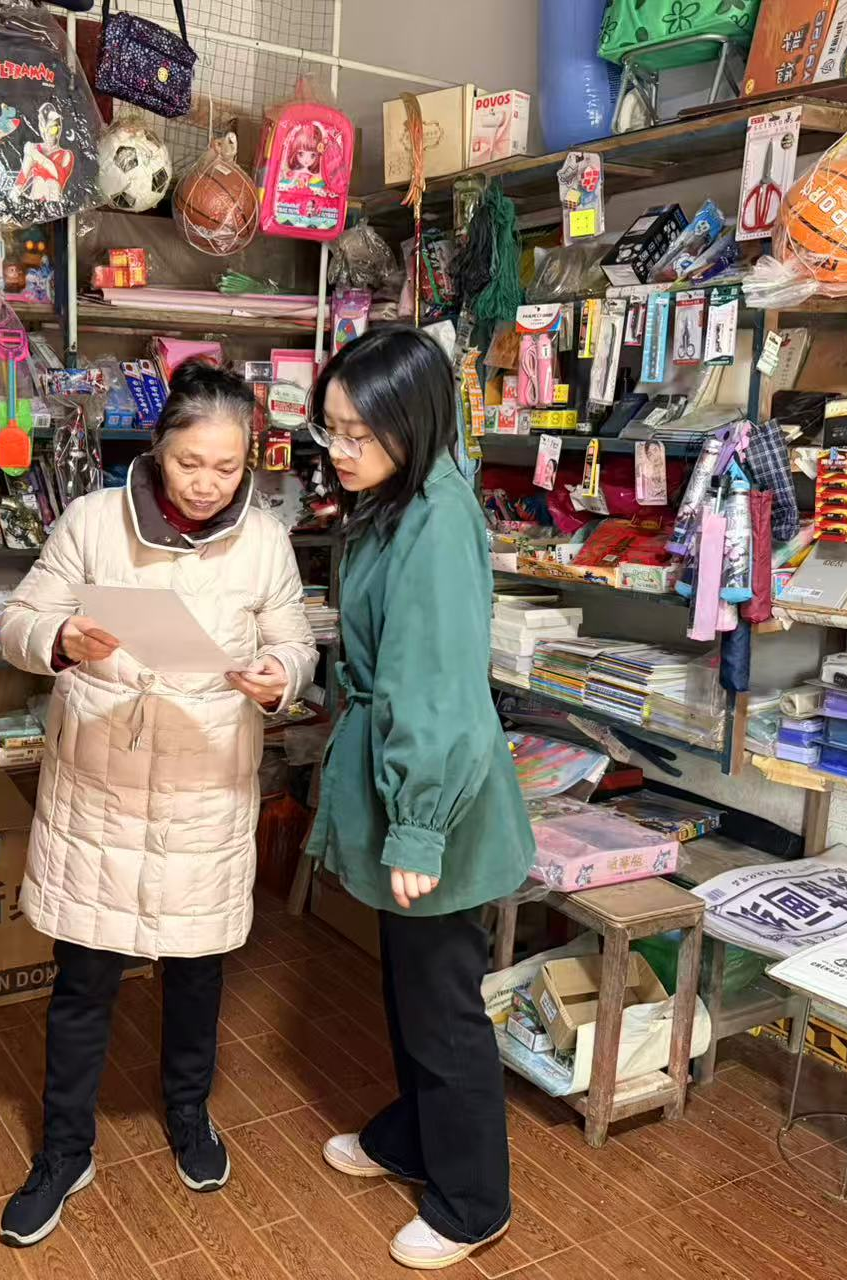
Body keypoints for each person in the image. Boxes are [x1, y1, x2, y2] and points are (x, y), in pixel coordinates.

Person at [0, 360, 317, 1248]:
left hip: (203, 784)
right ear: (156, 449)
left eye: (227, 467)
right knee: (84, 977)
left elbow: (294, 640)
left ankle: (187, 1113)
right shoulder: (93, 520)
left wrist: (280, 674)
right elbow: (18, 621)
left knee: (197, 969)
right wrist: (59, 636)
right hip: (101, 781)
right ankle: (63, 1151)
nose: (208, 484)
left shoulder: (264, 539)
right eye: (189, 463)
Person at [302, 326, 533, 1271]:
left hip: (435, 795)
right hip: (397, 777)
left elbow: (434, 689)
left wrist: (418, 826)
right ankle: (412, 1136)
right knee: (409, 985)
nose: (339, 450)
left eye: (358, 434)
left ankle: (473, 1200)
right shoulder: (394, 498)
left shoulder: (435, 522)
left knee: (441, 1002)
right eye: (330, 430)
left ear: (415, 422)